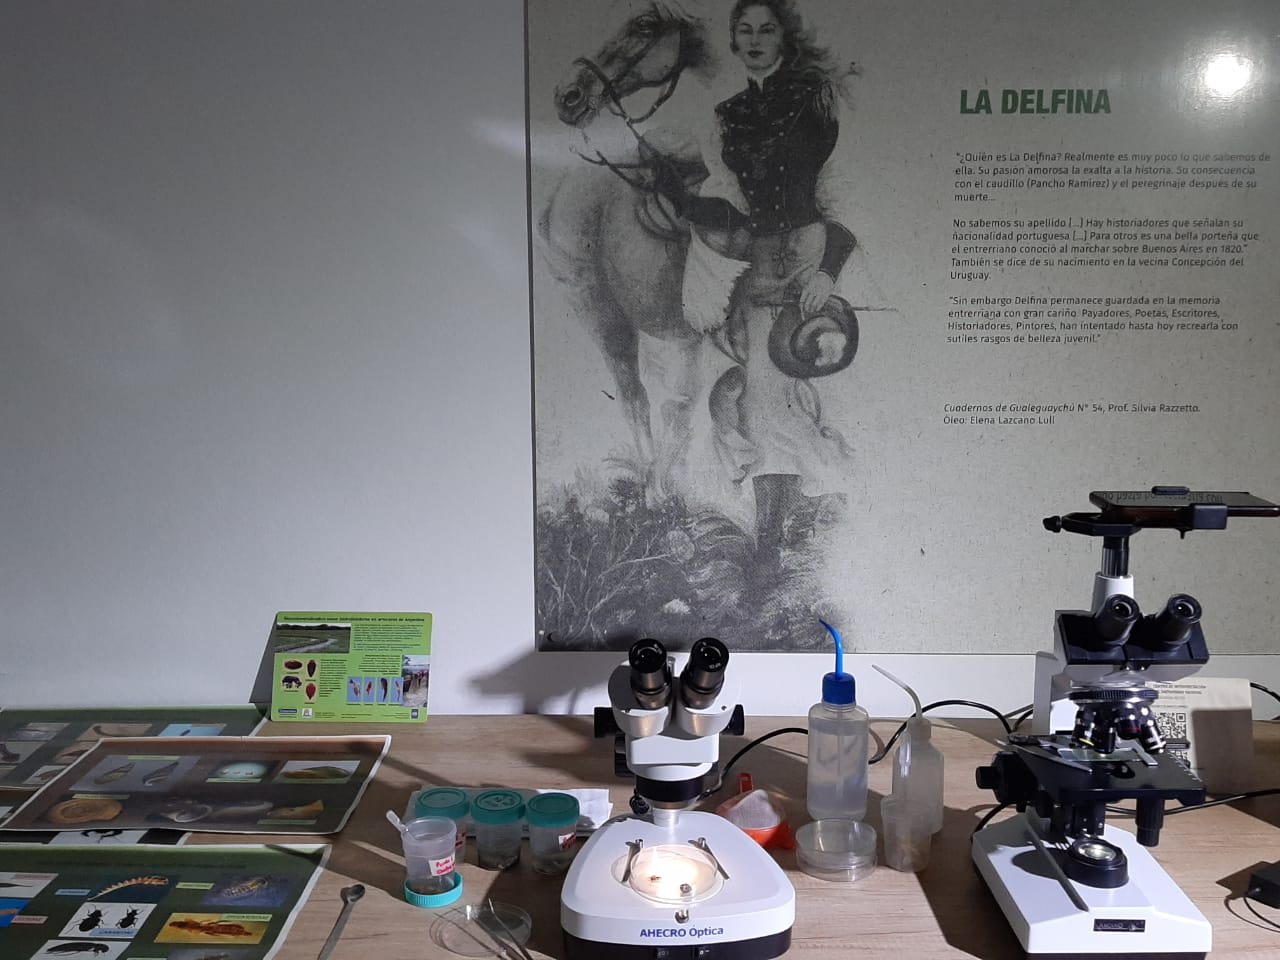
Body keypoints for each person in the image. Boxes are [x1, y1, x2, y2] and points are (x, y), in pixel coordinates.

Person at [656, 0, 857, 578]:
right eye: (744, 30)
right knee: (759, 398)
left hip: (811, 253)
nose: (754, 39)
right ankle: (779, 534)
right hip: (759, 260)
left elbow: (840, 199)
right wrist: (681, 199)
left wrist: (827, 272)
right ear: (734, 39)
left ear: (783, 37)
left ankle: (793, 534)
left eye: (766, 29)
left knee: (783, 392)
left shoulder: (816, 100)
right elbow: (738, 206)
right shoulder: (730, 113)